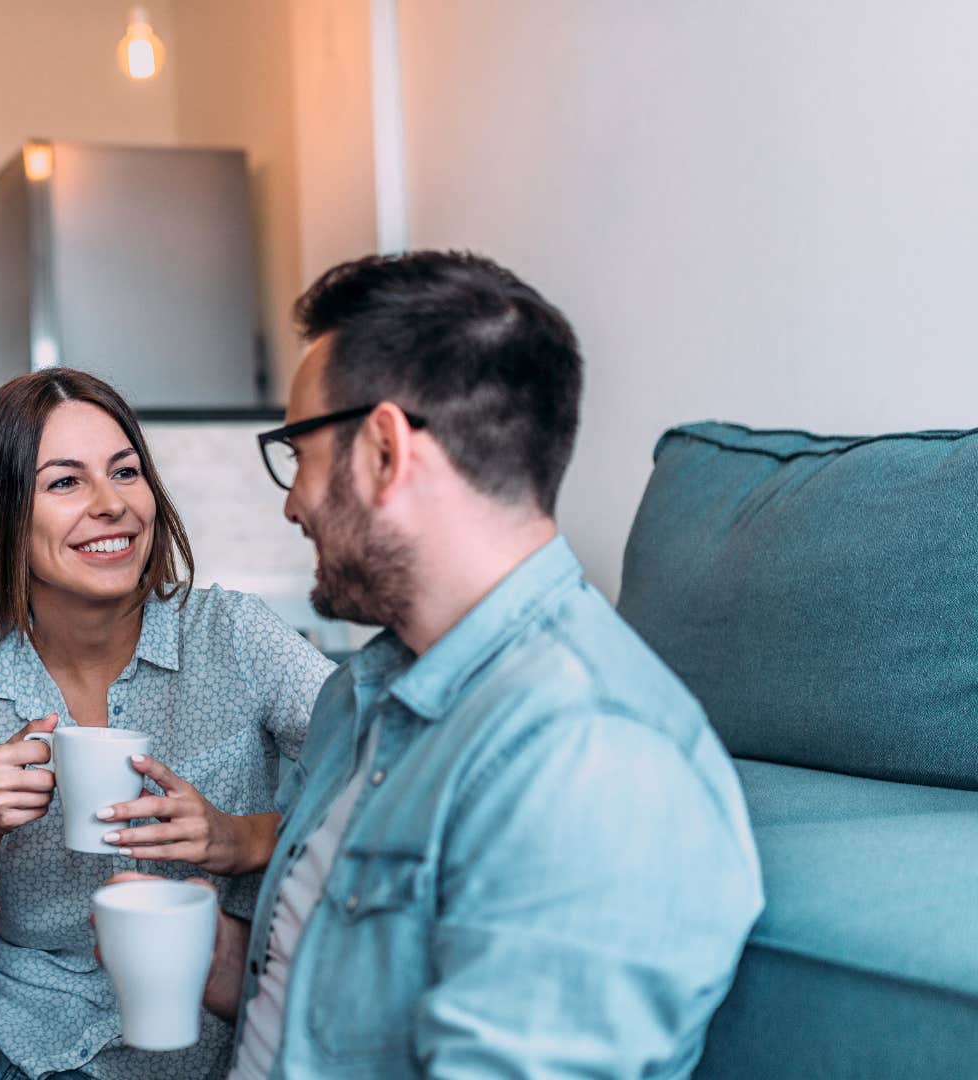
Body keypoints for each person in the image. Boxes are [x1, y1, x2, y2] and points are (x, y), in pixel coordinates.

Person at [115, 250, 765, 1079]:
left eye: (298, 451)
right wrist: (213, 956)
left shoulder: (591, 758)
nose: (292, 501)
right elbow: (335, 1017)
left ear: (385, 450)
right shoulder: (358, 693)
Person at [0, 369, 335, 1079]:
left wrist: (244, 838)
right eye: (65, 483)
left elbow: (392, 776)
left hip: (194, 1031)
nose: (112, 504)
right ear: (4, 518)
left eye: (126, 471)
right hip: (7, 1020)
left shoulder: (233, 638)